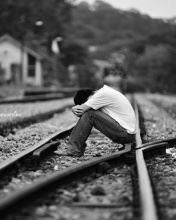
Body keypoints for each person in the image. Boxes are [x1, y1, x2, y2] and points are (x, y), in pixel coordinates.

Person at [66, 85, 136, 157]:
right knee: (89, 113)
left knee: (90, 114)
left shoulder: (100, 95)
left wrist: (73, 109)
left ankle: (74, 150)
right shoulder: (104, 92)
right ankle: (76, 147)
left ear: (87, 100)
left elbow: (81, 110)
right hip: (127, 134)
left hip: (125, 134)